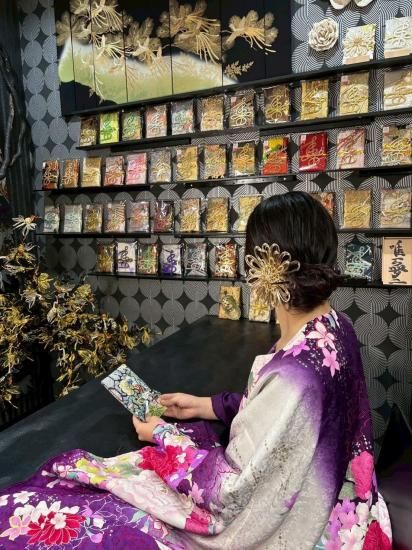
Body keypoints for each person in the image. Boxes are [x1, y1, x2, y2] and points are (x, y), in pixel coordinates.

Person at [0, 191, 391, 549]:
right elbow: (288, 421)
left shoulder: (294, 377)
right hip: (345, 503)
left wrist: (163, 435)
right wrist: (206, 406)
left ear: (261, 267)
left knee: (91, 517)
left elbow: (229, 493)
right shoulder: (336, 326)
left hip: (303, 527)